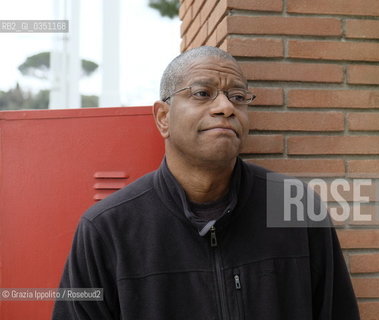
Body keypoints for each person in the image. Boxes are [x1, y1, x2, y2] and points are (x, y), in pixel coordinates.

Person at [52, 46, 360, 319]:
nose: (225, 107)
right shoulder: (107, 229)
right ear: (163, 117)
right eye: (202, 93)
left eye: (238, 97)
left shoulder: (297, 207)